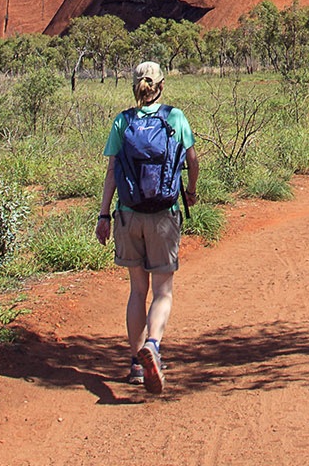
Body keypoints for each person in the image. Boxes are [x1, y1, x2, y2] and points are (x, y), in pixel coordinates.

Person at [96, 59, 198, 395]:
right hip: (163, 215)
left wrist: (103, 216)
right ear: (161, 85)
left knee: (137, 290)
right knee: (163, 291)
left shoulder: (121, 121)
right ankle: (153, 345)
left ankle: (136, 365)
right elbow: (192, 159)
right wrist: (192, 190)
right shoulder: (175, 118)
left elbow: (112, 173)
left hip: (127, 214)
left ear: (136, 86)